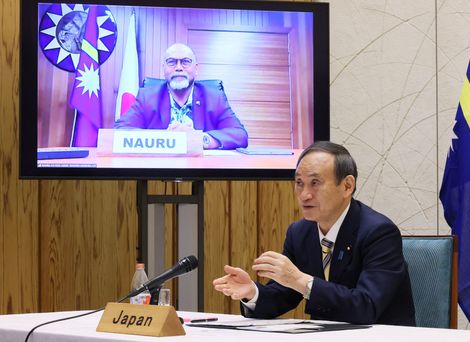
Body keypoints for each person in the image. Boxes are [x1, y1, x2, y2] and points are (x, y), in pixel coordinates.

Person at [213, 141, 416, 326]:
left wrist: (300, 280)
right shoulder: (300, 233)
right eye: (299, 183)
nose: (304, 194)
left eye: (315, 183)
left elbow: (366, 307)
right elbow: (284, 295)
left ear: (347, 186)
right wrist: (252, 292)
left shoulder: (378, 232)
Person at [114, 43, 248, 150]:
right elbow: (119, 131)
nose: (178, 67)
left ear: (196, 69)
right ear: (164, 68)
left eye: (185, 62)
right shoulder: (147, 97)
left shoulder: (214, 97)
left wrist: (201, 139)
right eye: (172, 62)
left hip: (202, 171)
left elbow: (240, 135)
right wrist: (167, 139)